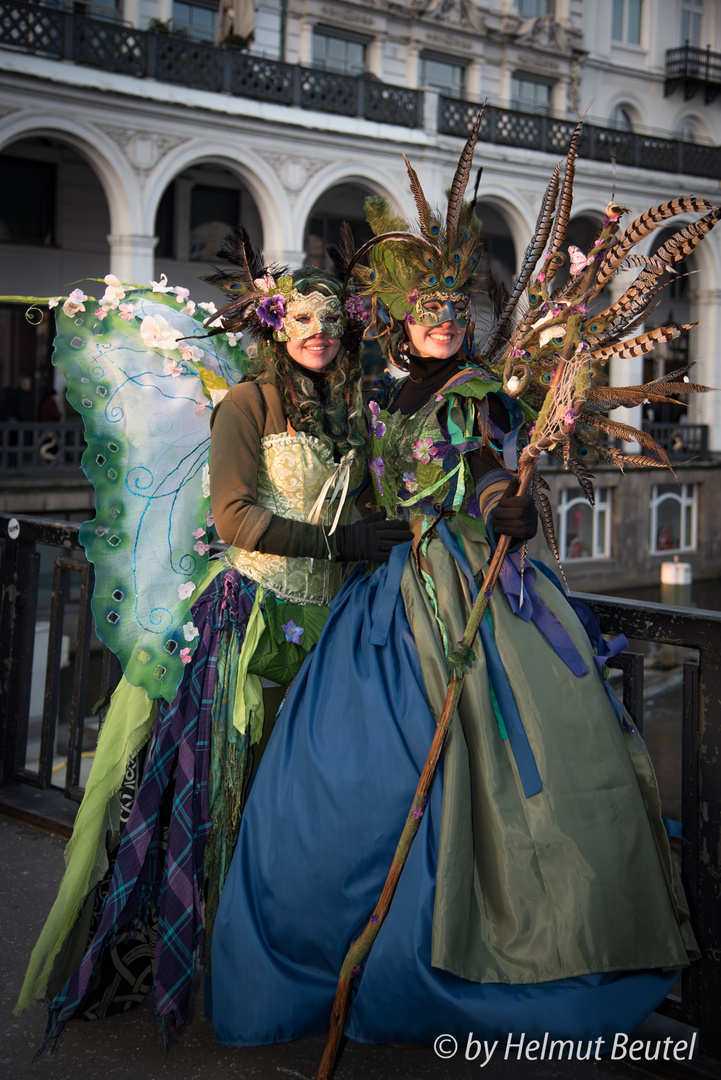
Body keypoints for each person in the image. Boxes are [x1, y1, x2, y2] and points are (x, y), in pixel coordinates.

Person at [208, 125, 701, 1052]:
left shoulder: (477, 390)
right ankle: (332, 956)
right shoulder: (383, 394)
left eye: (455, 307)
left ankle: (482, 953)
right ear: (399, 322)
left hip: (460, 582)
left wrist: (501, 505)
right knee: (339, 781)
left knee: (498, 774)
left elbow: (485, 465)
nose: (443, 318)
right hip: (383, 590)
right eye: (428, 309)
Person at [16, 240, 410, 1046]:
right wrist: (344, 545)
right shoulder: (246, 404)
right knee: (233, 798)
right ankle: (219, 966)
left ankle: (308, 962)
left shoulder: (348, 411)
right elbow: (233, 518)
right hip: (251, 627)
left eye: (333, 319)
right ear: (275, 324)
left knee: (308, 808)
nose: (319, 332)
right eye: (302, 317)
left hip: (331, 634)